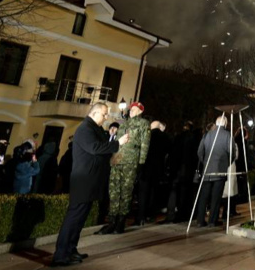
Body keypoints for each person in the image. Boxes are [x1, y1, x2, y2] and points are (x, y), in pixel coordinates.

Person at [51, 103, 129, 268]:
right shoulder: (85, 128)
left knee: (80, 219)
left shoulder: (96, 129)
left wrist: (112, 153)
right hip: (83, 180)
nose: (106, 117)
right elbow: (95, 148)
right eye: (104, 114)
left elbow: (101, 149)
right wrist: (117, 143)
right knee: (73, 219)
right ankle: (60, 255)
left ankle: (71, 250)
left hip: (91, 180)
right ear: (94, 113)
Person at [101, 101, 150, 234]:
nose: (131, 110)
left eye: (134, 109)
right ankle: (112, 221)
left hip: (130, 161)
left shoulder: (143, 124)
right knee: (113, 190)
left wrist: (140, 163)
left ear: (140, 111)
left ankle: (120, 222)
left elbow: (145, 144)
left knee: (126, 192)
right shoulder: (124, 123)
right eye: (131, 109)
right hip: (117, 160)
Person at [193, 116, 232, 228]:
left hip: (207, 169)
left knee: (203, 196)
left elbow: (200, 151)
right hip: (220, 170)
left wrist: (205, 161)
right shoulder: (227, 135)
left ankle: (200, 220)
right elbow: (232, 152)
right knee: (216, 196)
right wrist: (226, 163)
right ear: (225, 123)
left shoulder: (207, 134)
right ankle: (212, 220)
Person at [139, 121, 170, 225]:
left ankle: (141, 216)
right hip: (157, 169)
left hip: (145, 168)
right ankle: (150, 215)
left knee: (143, 193)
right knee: (154, 193)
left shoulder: (146, 135)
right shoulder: (165, 137)